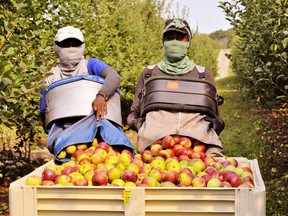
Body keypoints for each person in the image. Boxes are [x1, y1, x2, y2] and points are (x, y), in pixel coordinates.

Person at [127, 18, 225, 154]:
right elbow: (134, 113)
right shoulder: (149, 73)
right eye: (170, 38)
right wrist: (139, 125)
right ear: (163, 41)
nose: (175, 42)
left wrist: (215, 125)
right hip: (155, 145)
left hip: (197, 143)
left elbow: (217, 116)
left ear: (188, 41)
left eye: (180, 38)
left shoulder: (202, 75)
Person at [40, 26, 133, 159]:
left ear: (82, 46)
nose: (71, 48)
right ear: (57, 47)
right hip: (68, 137)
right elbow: (45, 114)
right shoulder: (51, 77)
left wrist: (102, 95)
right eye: (66, 44)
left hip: (97, 129)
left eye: (75, 44)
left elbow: (114, 76)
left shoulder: (90, 65)